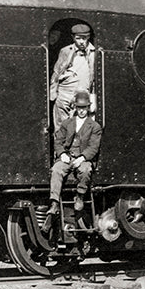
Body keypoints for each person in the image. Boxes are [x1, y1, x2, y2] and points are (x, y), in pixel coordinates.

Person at [48, 90, 102, 219]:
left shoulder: (94, 126)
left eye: (84, 108)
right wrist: (62, 154)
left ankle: (80, 196)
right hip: (68, 156)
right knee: (56, 170)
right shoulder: (67, 123)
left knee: (86, 170)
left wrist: (82, 158)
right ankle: (54, 203)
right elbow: (58, 141)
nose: (82, 110)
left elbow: (93, 147)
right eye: (79, 107)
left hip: (82, 158)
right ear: (75, 107)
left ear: (88, 108)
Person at [49, 24, 96, 130]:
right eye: (78, 38)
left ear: (88, 37)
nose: (81, 42)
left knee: (81, 127)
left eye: (84, 38)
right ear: (73, 38)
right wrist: (53, 92)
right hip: (65, 93)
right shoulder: (65, 51)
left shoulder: (94, 52)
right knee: (61, 126)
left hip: (83, 94)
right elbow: (57, 71)